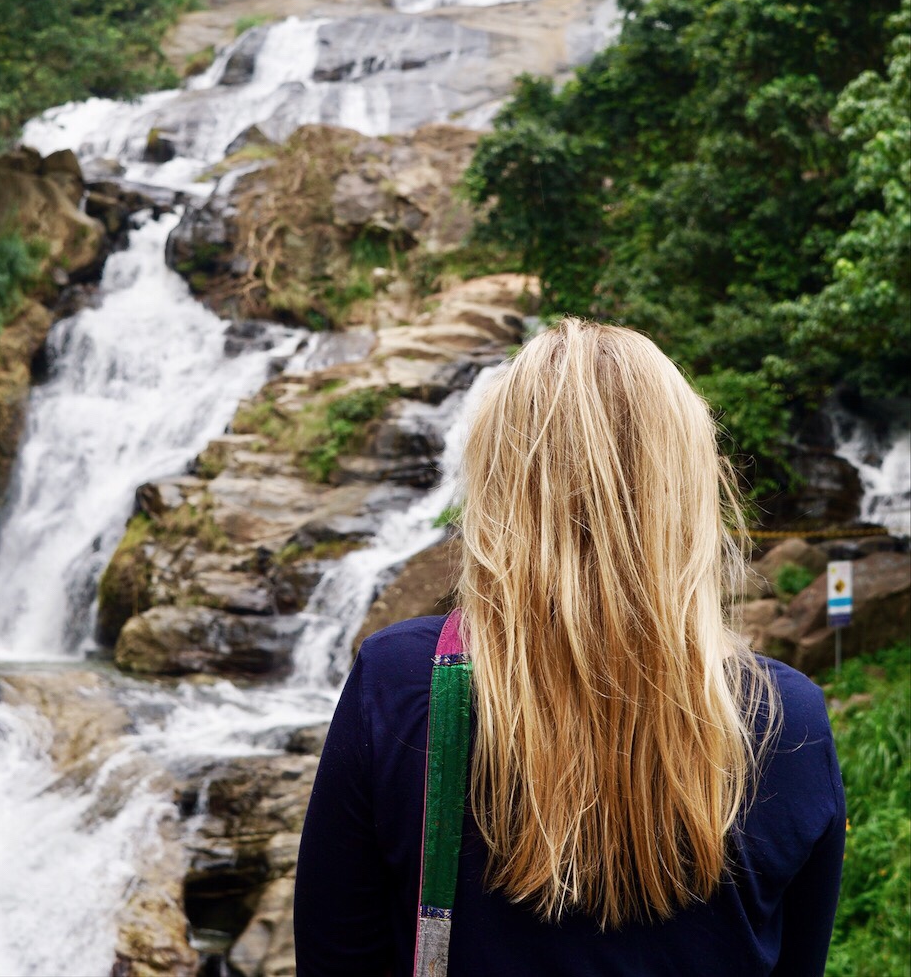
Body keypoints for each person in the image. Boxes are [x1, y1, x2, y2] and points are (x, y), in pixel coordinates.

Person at [294, 318, 844, 976]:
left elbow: (334, 958)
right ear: (691, 485)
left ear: (499, 480)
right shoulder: (789, 720)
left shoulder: (403, 681)